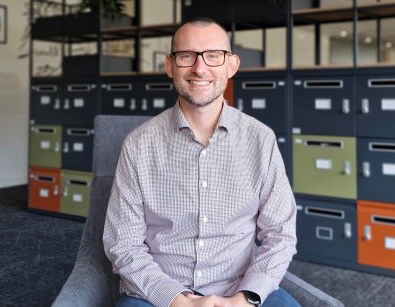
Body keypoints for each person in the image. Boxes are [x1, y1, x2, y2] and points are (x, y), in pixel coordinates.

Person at [103, 17, 298, 307]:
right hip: (158, 294)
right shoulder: (138, 145)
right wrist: (178, 301)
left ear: (231, 66)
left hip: (239, 289)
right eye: (186, 56)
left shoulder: (260, 140)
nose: (199, 68)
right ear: (170, 66)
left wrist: (242, 300)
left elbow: (280, 235)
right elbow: (124, 244)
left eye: (213, 56)